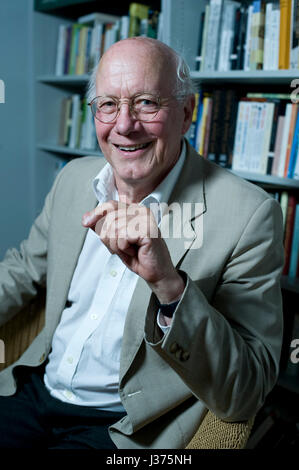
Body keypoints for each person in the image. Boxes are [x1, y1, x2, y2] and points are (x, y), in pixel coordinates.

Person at [0, 37, 284, 449]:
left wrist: (169, 286)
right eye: (108, 104)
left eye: (147, 103)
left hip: (124, 426)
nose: (124, 125)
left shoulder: (248, 214)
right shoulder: (74, 179)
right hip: (32, 390)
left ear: (187, 113)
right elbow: (25, 269)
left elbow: (246, 388)